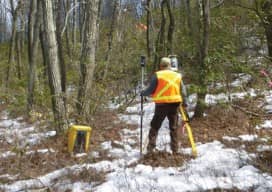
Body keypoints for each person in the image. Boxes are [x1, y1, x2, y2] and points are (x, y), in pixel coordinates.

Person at [141, 57, 188, 155]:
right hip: (175, 104)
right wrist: (185, 104)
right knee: (173, 127)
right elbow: (183, 91)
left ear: (161, 66)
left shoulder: (158, 75)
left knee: (155, 126)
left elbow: (150, 90)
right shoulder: (177, 75)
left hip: (161, 105)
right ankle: (175, 150)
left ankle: (150, 149)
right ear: (170, 65)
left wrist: (143, 92)